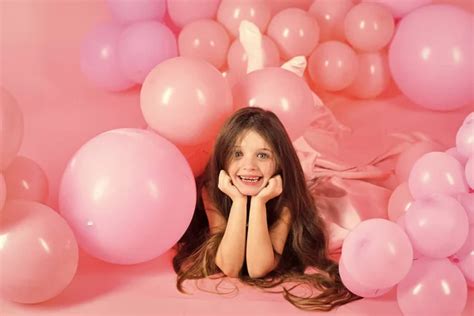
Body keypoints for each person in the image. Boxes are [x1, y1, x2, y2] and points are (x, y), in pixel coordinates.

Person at [172, 107, 360, 311]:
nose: (249, 165)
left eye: (262, 155)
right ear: (223, 158)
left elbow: (257, 269)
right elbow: (230, 267)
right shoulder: (212, 189)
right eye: (237, 154)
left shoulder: (286, 198)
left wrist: (260, 202)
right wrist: (238, 200)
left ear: (279, 162)